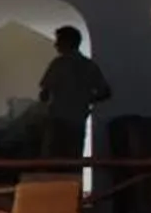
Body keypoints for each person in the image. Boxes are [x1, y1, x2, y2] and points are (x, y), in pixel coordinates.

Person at [37, 25, 113, 161]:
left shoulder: (58, 64)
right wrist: (85, 99)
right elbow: (105, 92)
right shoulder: (89, 66)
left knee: (52, 163)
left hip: (57, 122)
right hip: (77, 121)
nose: (56, 44)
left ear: (66, 42)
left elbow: (44, 94)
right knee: (73, 163)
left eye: (58, 41)